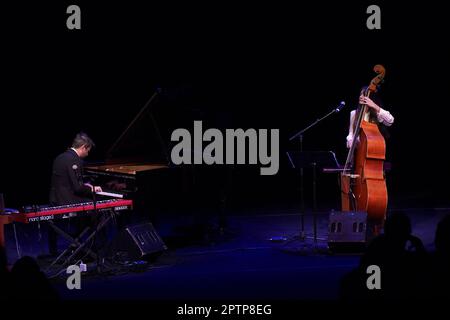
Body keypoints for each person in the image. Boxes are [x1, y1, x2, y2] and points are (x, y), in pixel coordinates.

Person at [48, 132, 102, 256]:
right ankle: (91, 247)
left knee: (90, 205)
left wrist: (86, 186)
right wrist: (92, 189)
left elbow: (66, 182)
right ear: (83, 147)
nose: (87, 154)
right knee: (98, 208)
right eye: (88, 150)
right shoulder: (74, 160)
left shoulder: (60, 157)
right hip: (67, 201)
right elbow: (78, 188)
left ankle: (76, 242)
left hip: (55, 199)